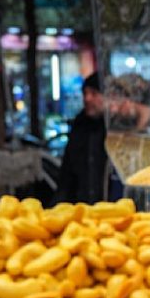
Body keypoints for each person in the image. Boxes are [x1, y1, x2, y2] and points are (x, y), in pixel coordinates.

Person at [56, 72, 109, 204]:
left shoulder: (116, 129)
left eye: (94, 93)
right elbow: (67, 175)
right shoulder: (79, 127)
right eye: (85, 93)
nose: (87, 99)